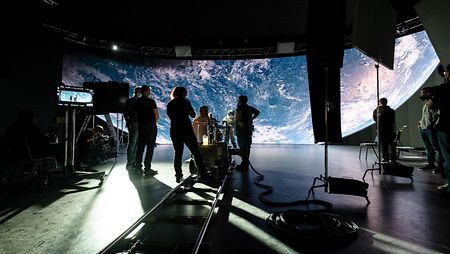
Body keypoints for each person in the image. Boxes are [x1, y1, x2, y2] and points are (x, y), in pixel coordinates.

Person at [167, 86, 208, 183]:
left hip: (175, 130)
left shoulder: (170, 103)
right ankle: (203, 174)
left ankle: (178, 176)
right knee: (196, 152)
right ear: (182, 93)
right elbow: (193, 115)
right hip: (186, 130)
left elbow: (170, 116)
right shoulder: (186, 101)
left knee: (178, 153)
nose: (186, 94)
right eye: (185, 92)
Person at [430, 63, 450, 193]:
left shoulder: (443, 88)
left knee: (448, 157)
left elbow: (431, 105)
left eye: (446, 72)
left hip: (446, 126)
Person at [134, 85, 159, 176]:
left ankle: (138, 167)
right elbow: (156, 115)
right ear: (147, 91)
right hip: (151, 126)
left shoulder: (137, 102)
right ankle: (147, 168)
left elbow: (135, 115)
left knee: (140, 147)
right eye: (149, 90)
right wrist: (153, 123)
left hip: (141, 126)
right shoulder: (151, 101)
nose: (150, 92)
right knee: (150, 148)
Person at [417, 87, 443, 173]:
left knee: (437, 148)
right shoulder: (425, 105)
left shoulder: (434, 103)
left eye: (423, 93)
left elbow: (440, 114)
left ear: (428, 93)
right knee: (428, 147)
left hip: (430, 130)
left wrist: (436, 124)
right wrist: (420, 124)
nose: (421, 95)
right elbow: (424, 117)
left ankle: (439, 166)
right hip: (423, 130)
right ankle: (430, 163)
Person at [235, 95, 260, 170]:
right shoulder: (249, 108)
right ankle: (245, 164)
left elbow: (239, 119)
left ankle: (244, 164)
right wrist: (251, 119)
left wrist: (239, 122)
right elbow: (258, 112)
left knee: (242, 147)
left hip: (241, 131)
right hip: (248, 130)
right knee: (247, 147)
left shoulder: (240, 108)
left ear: (239, 100)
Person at [373, 98, 396, 163]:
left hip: (382, 130)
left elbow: (375, 119)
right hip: (389, 130)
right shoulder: (391, 110)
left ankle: (386, 158)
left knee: (384, 145)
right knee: (390, 145)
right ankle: (392, 159)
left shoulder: (376, 111)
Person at [124, 86, 141, 169]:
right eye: (139, 91)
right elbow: (126, 114)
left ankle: (134, 161)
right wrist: (129, 123)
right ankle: (130, 162)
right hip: (134, 124)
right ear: (136, 92)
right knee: (132, 143)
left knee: (137, 144)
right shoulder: (131, 101)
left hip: (140, 124)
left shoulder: (140, 102)